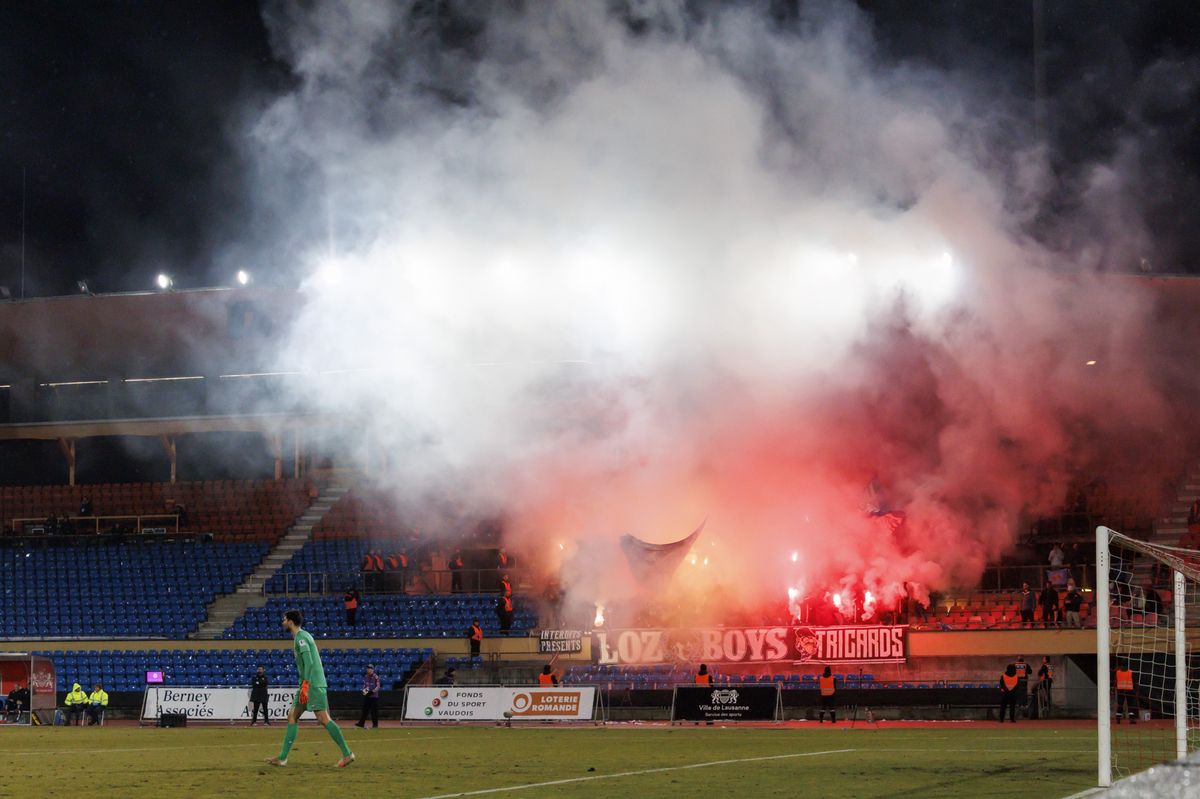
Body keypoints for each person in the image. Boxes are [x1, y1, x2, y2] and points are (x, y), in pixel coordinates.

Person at [267, 609, 356, 768]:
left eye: (284, 619)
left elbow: (309, 663)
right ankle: (282, 758)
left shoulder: (301, 638)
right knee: (292, 716)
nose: (282, 622)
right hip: (308, 683)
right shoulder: (303, 636)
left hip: (312, 684)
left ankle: (347, 753)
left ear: (291, 622)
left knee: (323, 718)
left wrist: (306, 686)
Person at [355, 664, 381, 730]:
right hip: (367, 696)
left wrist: (372, 691)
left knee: (374, 711)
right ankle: (361, 723)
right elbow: (365, 686)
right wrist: (364, 692)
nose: (368, 669)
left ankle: (375, 724)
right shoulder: (366, 677)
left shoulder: (376, 677)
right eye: (367, 668)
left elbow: (378, 686)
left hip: (374, 697)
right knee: (364, 710)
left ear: (372, 669)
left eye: (370, 668)